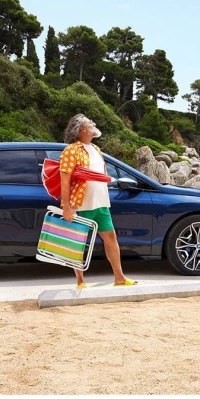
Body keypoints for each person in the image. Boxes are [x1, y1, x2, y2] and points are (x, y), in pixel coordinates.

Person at [59, 114, 138, 288]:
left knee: (110, 237)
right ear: (82, 129)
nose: (94, 123)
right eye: (90, 122)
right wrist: (67, 206)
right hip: (80, 204)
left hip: (101, 203)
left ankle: (119, 278)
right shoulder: (71, 150)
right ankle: (80, 282)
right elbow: (64, 180)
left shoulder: (95, 148)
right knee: (78, 243)